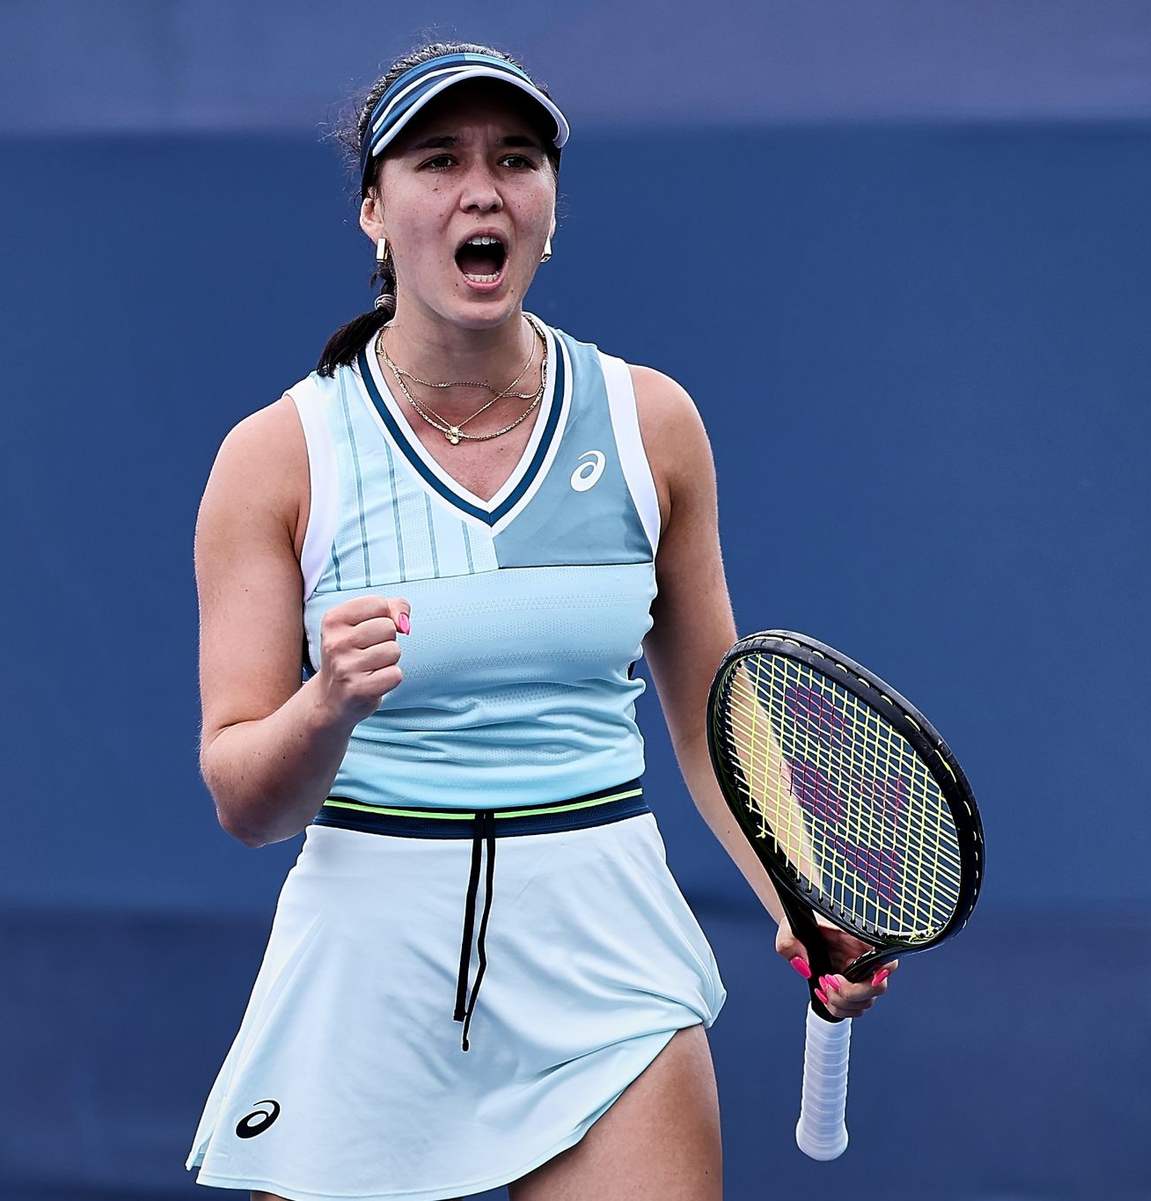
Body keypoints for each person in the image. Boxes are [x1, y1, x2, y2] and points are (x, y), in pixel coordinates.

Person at [185, 42, 894, 1201]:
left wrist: (800, 899)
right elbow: (244, 802)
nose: (482, 188)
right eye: (436, 160)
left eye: (516, 159)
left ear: (548, 212)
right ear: (375, 211)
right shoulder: (276, 458)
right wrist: (324, 706)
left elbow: (720, 727)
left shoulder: (649, 422)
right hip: (368, 960)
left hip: (603, 954)